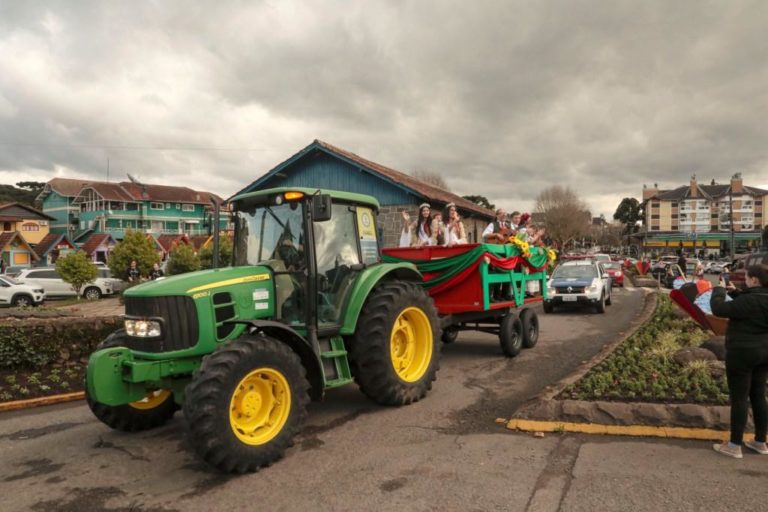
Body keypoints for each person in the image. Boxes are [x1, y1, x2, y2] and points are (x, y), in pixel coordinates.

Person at [710, 264, 768, 458]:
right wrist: (735, 293)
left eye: (747, 277)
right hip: (764, 352)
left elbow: (719, 309)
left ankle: (734, 445)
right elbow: (752, 305)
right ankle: (760, 442)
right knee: (759, 395)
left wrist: (718, 290)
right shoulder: (757, 298)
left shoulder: (749, 300)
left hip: (742, 353)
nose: (746, 280)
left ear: (755, 280)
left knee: (740, 398)